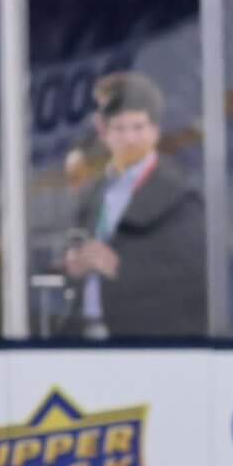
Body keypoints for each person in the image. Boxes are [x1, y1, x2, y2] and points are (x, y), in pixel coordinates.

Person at [60, 72, 205, 339]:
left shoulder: (179, 194)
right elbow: (72, 246)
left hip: (146, 339)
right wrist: (73, 264)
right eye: (119, 128)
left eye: (138, 127)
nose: (129, 139)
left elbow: (191, 273)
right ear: (104, 132)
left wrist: (117, 267)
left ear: (155, 131)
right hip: (87, 335)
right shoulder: (95, 192)